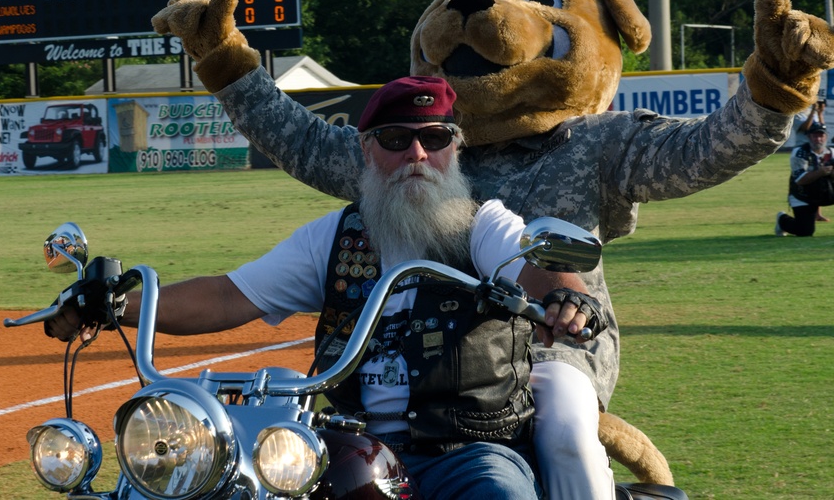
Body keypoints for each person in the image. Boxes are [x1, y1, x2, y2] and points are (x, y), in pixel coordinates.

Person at [46, 76, 609, 500]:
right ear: (367, 149)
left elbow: (533, 264)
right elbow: (229, 294)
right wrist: (118, 303)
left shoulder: (481, 225)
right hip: (345, 448)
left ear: (453, 148)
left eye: (434, 138)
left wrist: (565, 295)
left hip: (465, 448)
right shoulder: (336, 239)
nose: (417, 155)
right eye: (395, 139)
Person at [777, 122, 834, 237]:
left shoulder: (832, 153)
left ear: (826, 137)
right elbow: (800, 180)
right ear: (808, 137)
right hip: (803, 195)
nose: (818, 139)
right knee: (805, 231)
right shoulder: (800, 153)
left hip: (826, 191)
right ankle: (782, 220)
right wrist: (820, 172)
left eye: (821, 135)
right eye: (815, 136)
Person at [791, 99, 828, 221]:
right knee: (802, 179)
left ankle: (817, 213)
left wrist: (820, 112)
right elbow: (805, 128)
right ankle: (800, 210)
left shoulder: (814, 112)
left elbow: (821, 128)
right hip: (802, 151)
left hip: (815, 150)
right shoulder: (796, 113)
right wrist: (813, 111)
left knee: (818, 179)